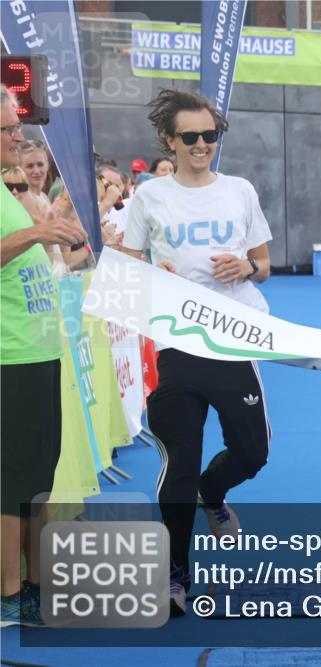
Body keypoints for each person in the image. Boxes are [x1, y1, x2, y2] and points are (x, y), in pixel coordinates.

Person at [116, 88, 273, 618]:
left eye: (210, 135)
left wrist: (246, 267)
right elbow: (128, 266)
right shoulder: (150, 197)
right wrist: (150, 272)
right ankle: (175, 573)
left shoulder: (240, 190)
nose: (202, 144)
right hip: (176, 342)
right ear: (170, 140)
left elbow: (263, 264)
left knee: (252, 453)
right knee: (178, 462)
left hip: (233, 338)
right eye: (191, 137)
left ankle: (213, 491)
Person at [0, 85, 87, 627]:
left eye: (17, 126)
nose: (18, 136)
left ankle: (35, 582)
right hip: (9, 357)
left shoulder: (8, 190)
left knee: (38, 475)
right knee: (12, 480)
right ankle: (10, 595)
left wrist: (48, 228)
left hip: (38, 351)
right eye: (9, 129)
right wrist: (38, 232)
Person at [18, 139, 52, 214]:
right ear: (20, 169)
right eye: (30, 166)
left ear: (47, 165)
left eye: (40, 164)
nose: (36, 171)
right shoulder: (23, 198)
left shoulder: (44, 197)